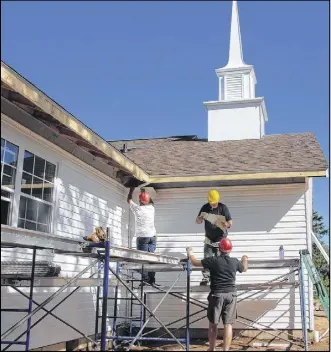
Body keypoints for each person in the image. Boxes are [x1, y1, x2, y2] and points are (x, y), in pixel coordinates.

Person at [186, 239, 248, 352]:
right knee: (228, 325)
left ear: (219, 249)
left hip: (217, 295)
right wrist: (245, 258)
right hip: (231, 295)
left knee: (213, 324)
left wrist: (190, 253)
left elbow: (195, 263)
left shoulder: (213, 260)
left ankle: (212, 348)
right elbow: (244, 268)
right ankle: (226, 349)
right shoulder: (234, 261)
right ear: (231, 249)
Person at [196, 190, 233, 286]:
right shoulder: (205, 207)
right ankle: (206, 278)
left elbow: (230, 223)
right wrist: (200, 218)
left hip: (221, 240)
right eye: (211, 203)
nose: (212, 204)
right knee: (207, 259)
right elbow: (197, 221)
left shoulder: (223, 208)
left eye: (214, 203)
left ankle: (220, 278)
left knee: (220, 260)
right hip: (209, 238)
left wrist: (226, 224)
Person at [127, 187, 157, 285]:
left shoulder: (138, 209)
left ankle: (145, 280)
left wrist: (131, 190)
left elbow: (129, 200)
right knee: (151, 259)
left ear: (140, 201)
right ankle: (152, 279)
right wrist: (144, 192)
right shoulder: (152, 208)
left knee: (143, 259)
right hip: (152, 237)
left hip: (143, 237)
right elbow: (150, 201)